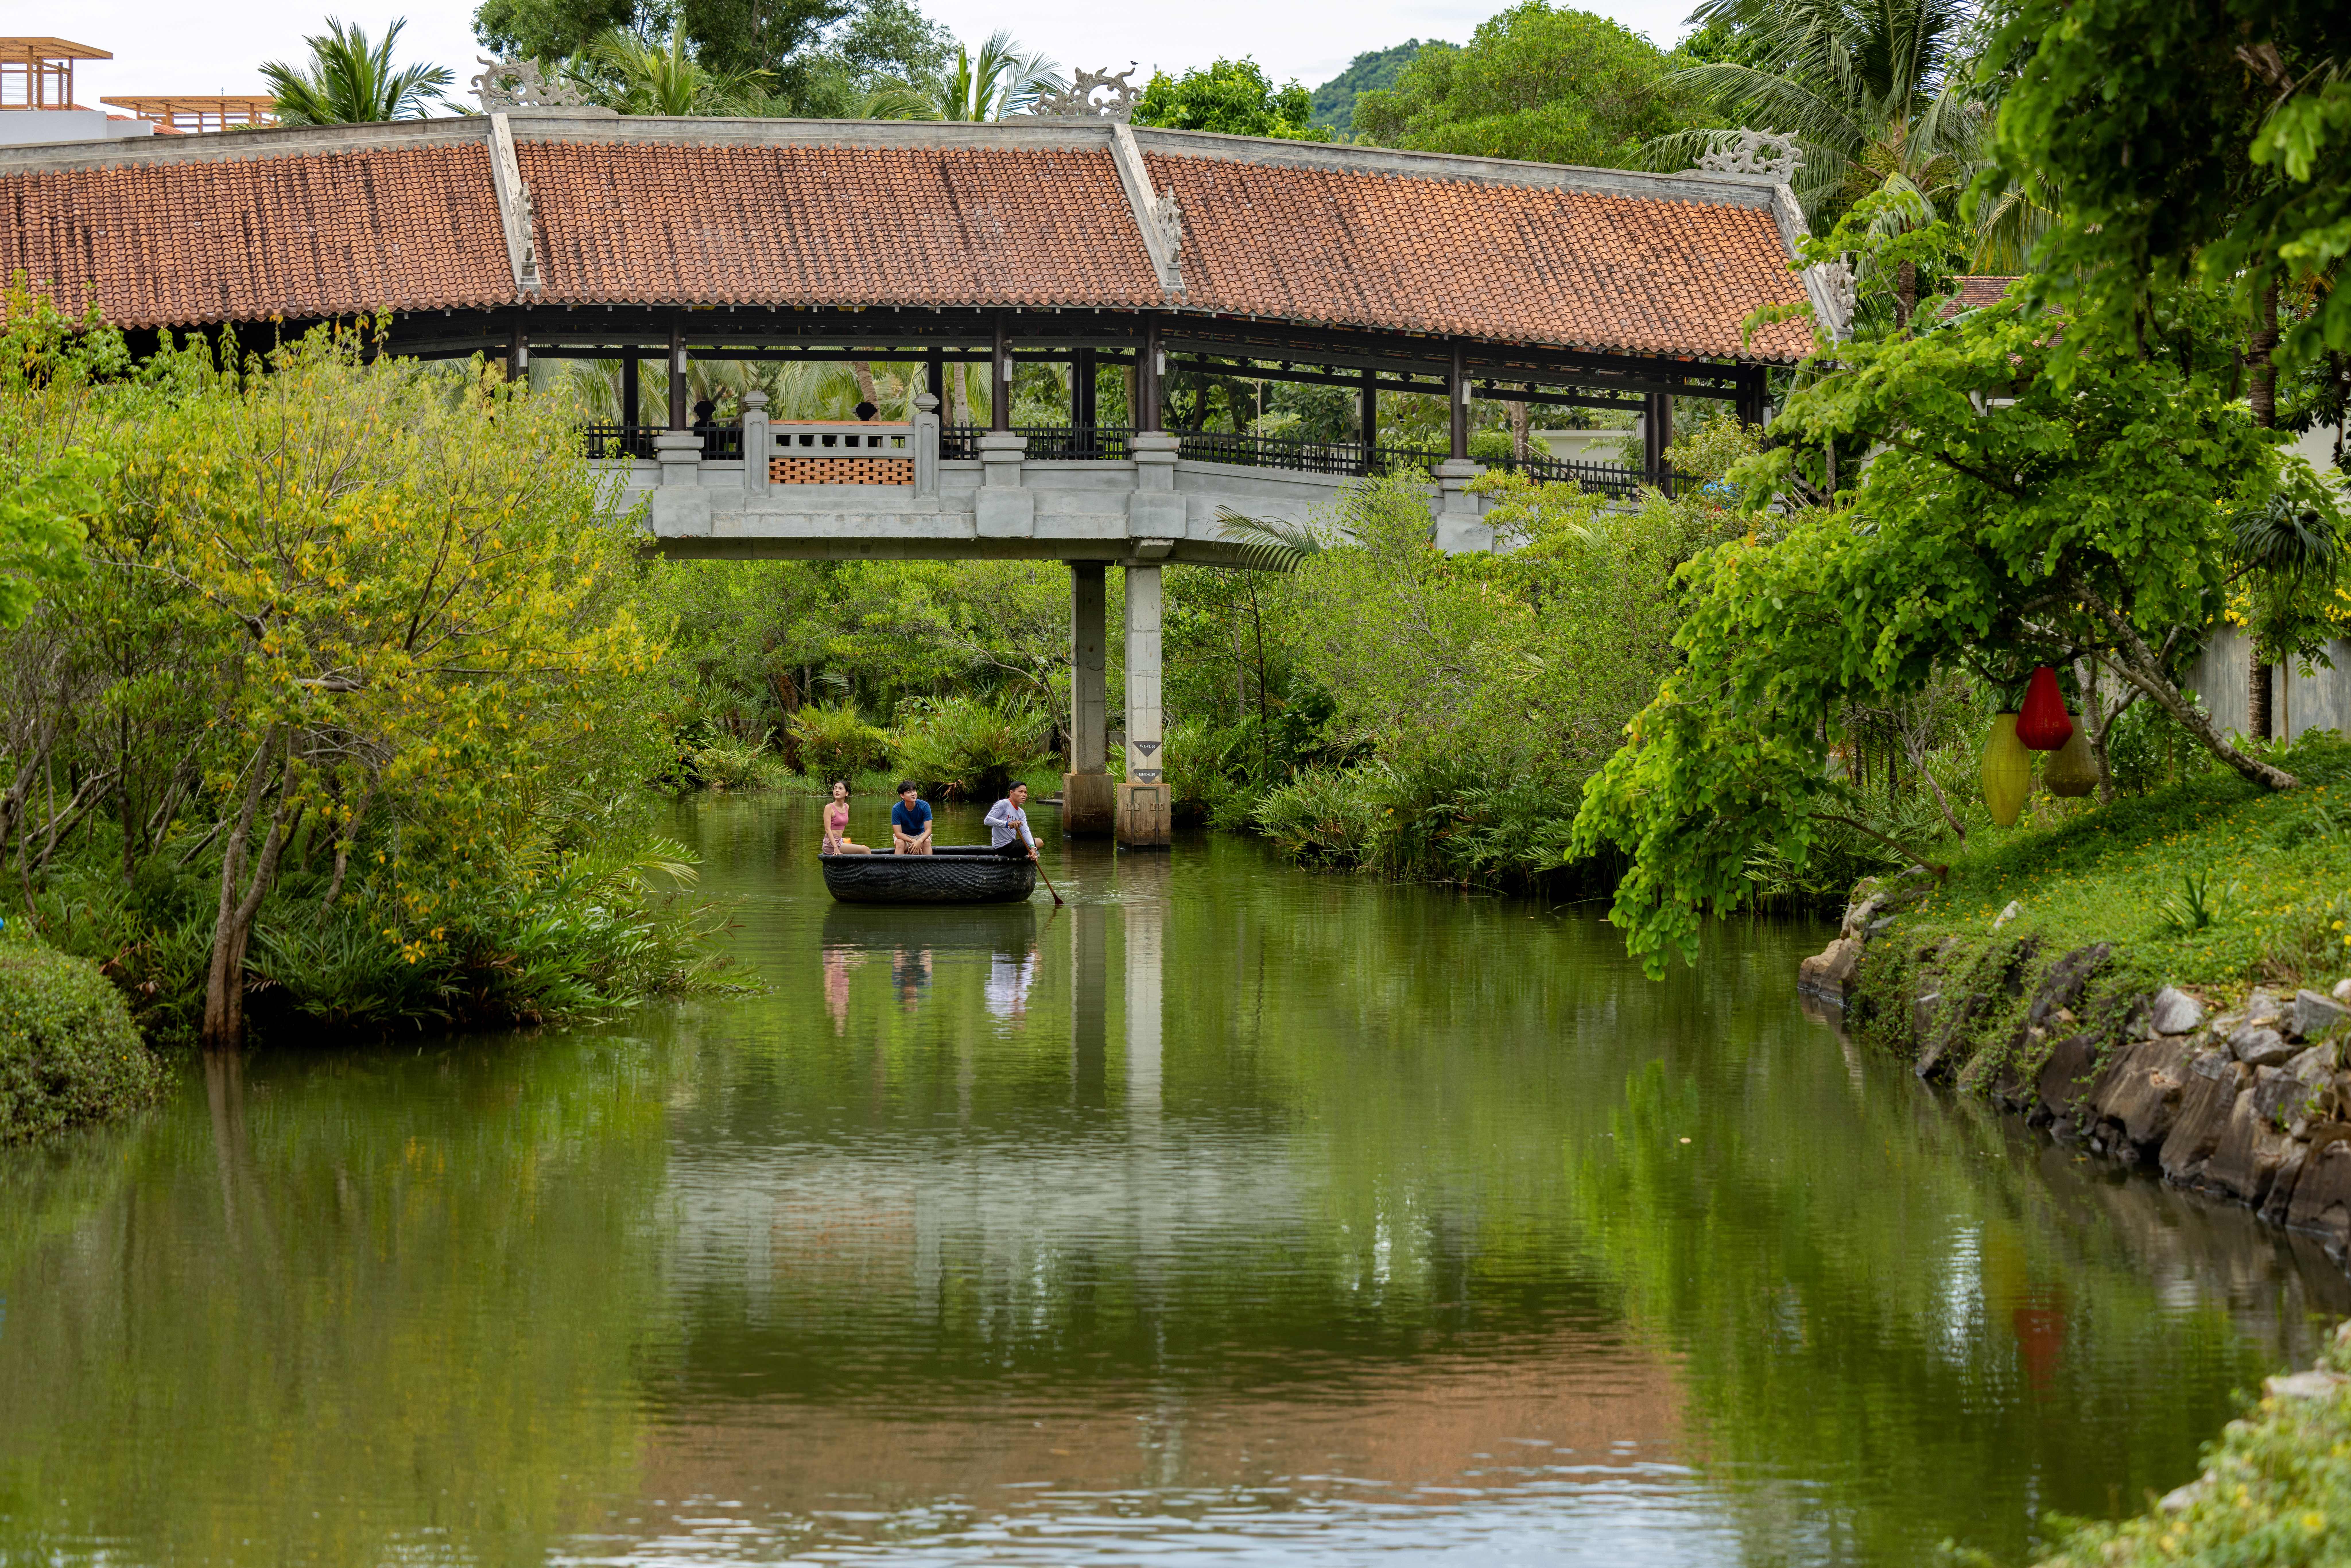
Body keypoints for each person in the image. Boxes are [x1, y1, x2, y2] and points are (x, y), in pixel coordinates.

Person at [984, 781, 1039, 861]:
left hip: (1012, 844)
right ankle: (1002, 854)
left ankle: (1030, 854)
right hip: (1002, 847)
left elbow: (1026, 831)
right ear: (1012, 793)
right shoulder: (1004, 804)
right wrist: (1009, 824)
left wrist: (1033, 848)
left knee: (1038, 844)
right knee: (1039, 842)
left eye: (1026, 793)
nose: (1024, 795)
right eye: (1021, 792)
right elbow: (988, 820)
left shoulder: (1021, 813)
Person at [821, 780, 869, 855]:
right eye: (835, 789)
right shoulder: (829, 808)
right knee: (866, 850)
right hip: (831, 845)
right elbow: (828, 830)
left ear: (847, 793)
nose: (837, 791)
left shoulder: (847, 807)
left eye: (841, 789)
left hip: (839, 841)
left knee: (864, 850)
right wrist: (836, 848)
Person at [891, 781, 934, 855]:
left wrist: (919, 841)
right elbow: (898, 833)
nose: (913, 794)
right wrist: (912, 841)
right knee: (900, 843)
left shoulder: (924, 806)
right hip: (905, 836)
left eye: (914, 791)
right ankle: (898, 863)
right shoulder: (897, 809)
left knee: (927, 842)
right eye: (909, 792)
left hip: (921, 835)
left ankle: (928, 863)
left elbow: (929, 830)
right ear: (902, 796)